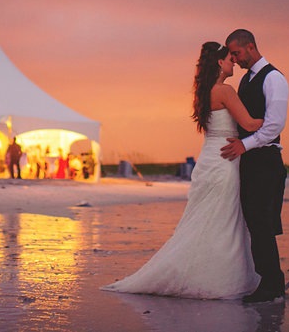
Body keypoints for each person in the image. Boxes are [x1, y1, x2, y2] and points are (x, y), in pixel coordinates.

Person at [102, 41, 262, 299]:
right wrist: (276, 117)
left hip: (209, 160)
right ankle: (221, 279)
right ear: (220, 63)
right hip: (224, 163)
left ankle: (203, 272)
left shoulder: (204, 92)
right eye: (230, 59)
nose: (234, 62)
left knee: (205, 222)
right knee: (224, 223)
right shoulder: (225, 91)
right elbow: (250, 123)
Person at [220, 28, 289, 303]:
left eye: (236, 53)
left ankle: (272, 284)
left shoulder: (274, 78)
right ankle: (270, 281)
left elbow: (274, 125)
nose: (234, 60)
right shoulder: (246, 81)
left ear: (250, 46)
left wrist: (244, 145)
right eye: (232, 56)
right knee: (254, 223)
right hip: (249, 161)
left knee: (262, 224)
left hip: (266, 161)